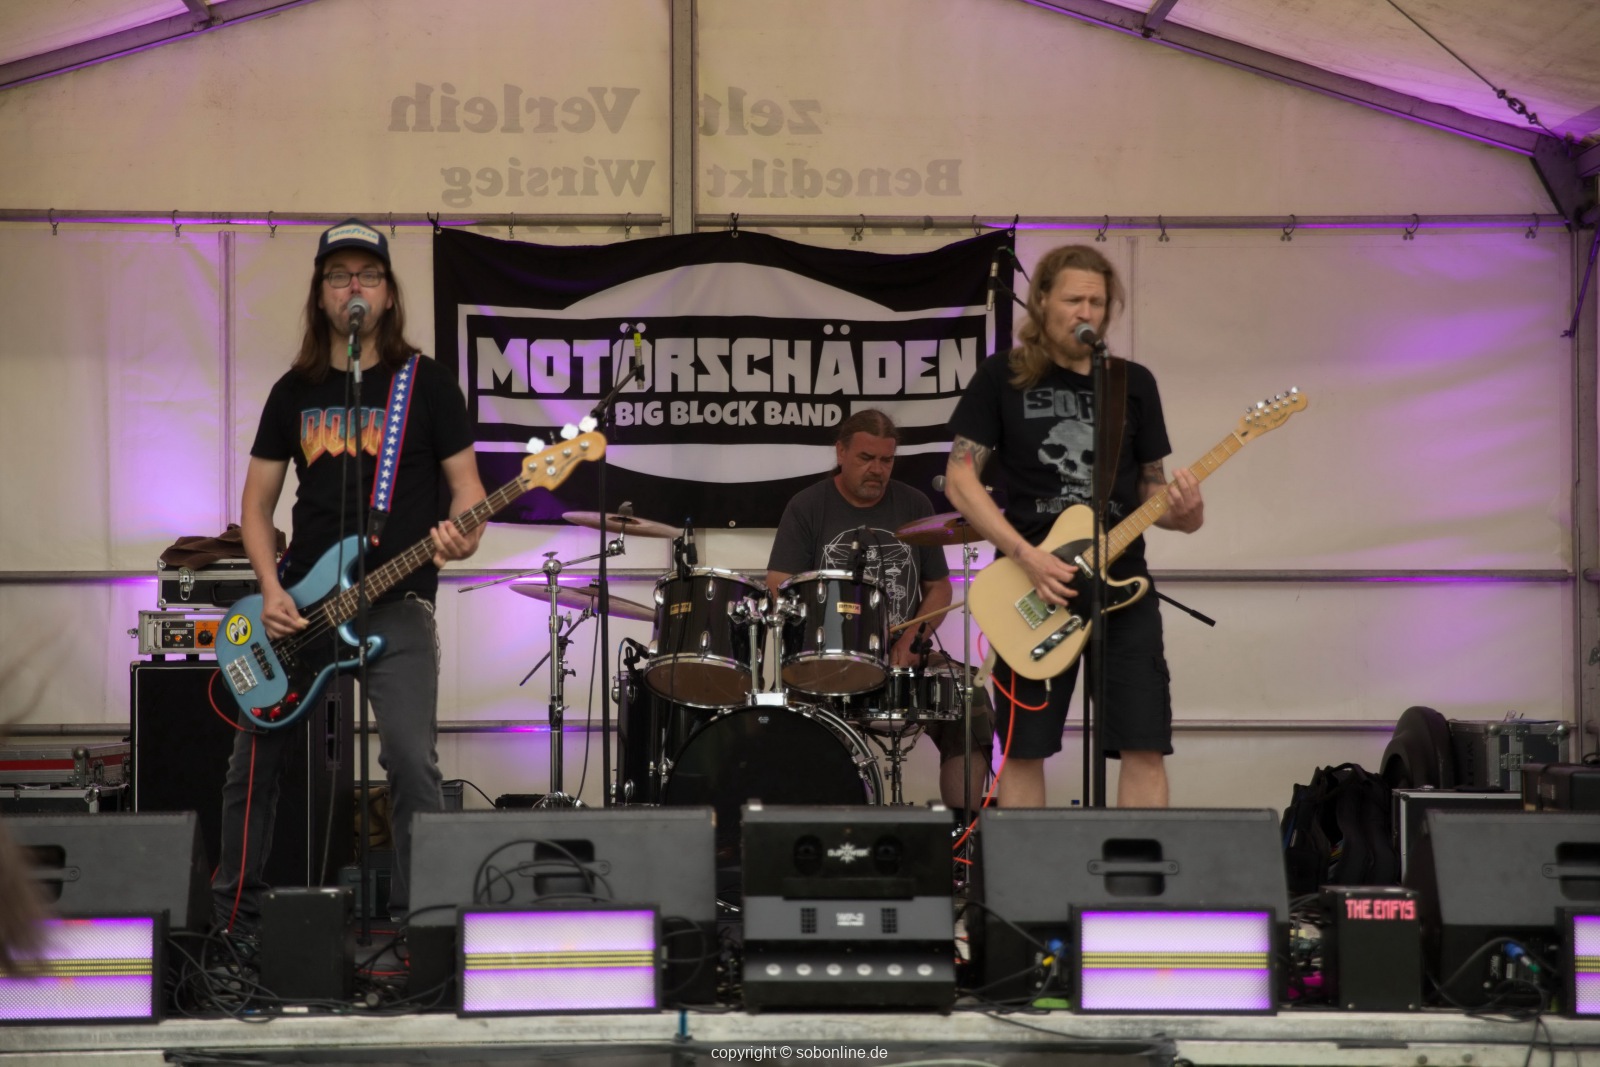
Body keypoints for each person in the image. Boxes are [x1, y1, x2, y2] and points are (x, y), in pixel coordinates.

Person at [212, 219, 486, 937]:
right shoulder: (292, 391)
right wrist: (271, 588)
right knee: (252, 763)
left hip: (396, 601)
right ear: (321, 294)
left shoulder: (428, 385)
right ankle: (235, 923)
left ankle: (420, 930)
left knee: (411, 761)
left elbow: (468, 491)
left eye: (368, 275)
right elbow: (256, 506)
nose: (353, 287)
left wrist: (464, 533)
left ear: (389, 294)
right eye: (339, 276)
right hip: (301, 607)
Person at [943, 244, 1203, 809]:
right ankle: (1026, 871)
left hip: (1123, 586)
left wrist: (1184, 513)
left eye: (1098, 302)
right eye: (1073, 300)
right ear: (1041, 301)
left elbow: (1152, 487)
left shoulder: (1132, 383)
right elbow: (960, 478)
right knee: (1023, 749)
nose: (1086, 312)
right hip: (1035, 581)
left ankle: (1137, 870)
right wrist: (1026, 555)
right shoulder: (1002, 377)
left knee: (1144, 744)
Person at [767, 409, 992, 813]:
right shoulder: (808, 506)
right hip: (829, 661)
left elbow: (938, 586)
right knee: (794, 721)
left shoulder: (914, 502)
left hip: (905, 658)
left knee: (970, 696)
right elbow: (778, 585)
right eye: (866, 458)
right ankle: (820, 829)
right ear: (840, 452)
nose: (877, 469)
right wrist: (829, 642)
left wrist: (912, 641)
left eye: (886, 460)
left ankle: (964, 831)